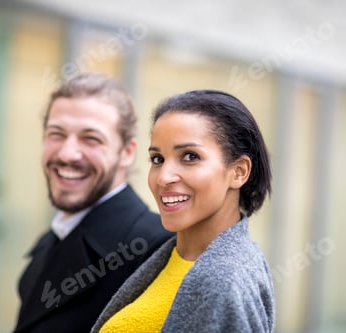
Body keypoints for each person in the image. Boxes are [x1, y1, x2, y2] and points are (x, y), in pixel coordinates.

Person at [91, 89, 275, 332]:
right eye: (157, 159)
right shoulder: (171, 257)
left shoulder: (224, 280)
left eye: (190, 156)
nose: (163, 177)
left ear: (238, 171)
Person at [13, 73, 173, 333]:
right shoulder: (50, 241)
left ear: (127, 153)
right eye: (56, 134)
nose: (67, 154)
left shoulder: (160, 249)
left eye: (91, 139)